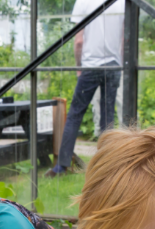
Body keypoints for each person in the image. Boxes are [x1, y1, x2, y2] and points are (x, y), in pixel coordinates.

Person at [45, 0, 124, 177]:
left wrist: (78, 67)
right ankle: (108, 164)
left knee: (75, 114)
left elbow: (79, 40)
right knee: (107, 116)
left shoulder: (83, 2)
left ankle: (62, 166)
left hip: (91, 65)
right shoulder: (120, 3)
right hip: (113, 66)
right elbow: (123, 38)